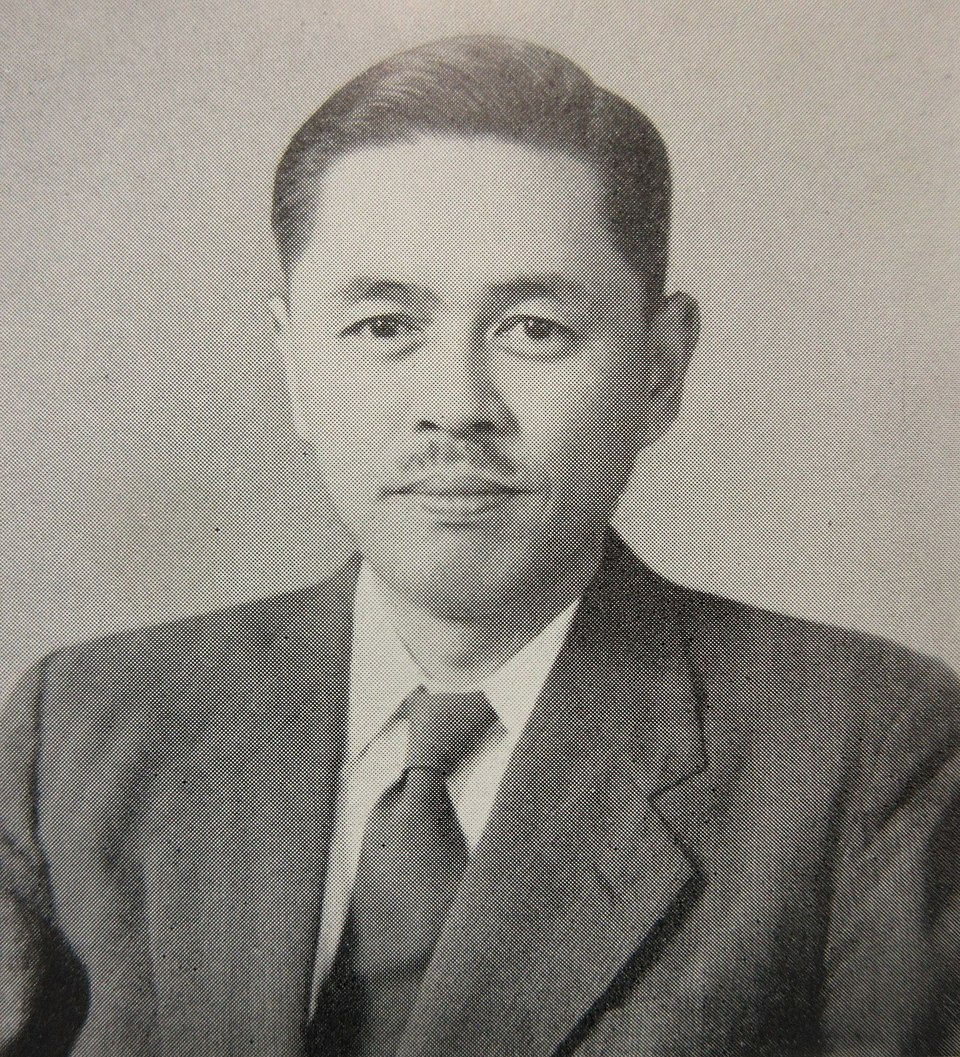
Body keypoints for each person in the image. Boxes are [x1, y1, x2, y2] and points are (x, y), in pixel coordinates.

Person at [1, 34, 958, 1057]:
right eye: (384, 326)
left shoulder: (867, 754)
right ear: (293, 370)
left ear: (659, 371)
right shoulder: (82, 731)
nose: (455, 405)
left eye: (535, 327)